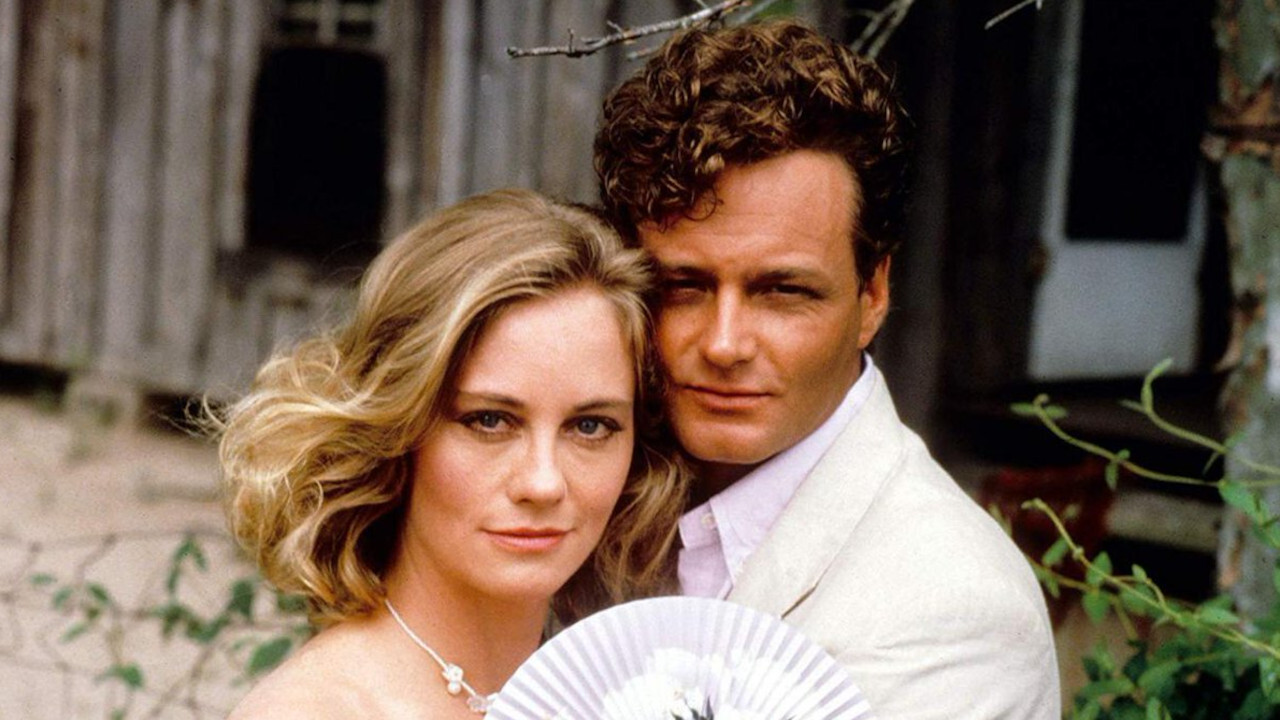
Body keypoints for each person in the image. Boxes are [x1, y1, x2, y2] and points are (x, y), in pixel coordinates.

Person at [594, 19, 1061, 719]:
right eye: (682, 286)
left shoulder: (954, 610)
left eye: (782, 291)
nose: (724, 344)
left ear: (872, 295)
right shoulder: (586, 493)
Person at [215, 189, 686, 718]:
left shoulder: (625, 690)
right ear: (396, 429)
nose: (543, 483)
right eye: (490, 421)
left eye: (590, 426)